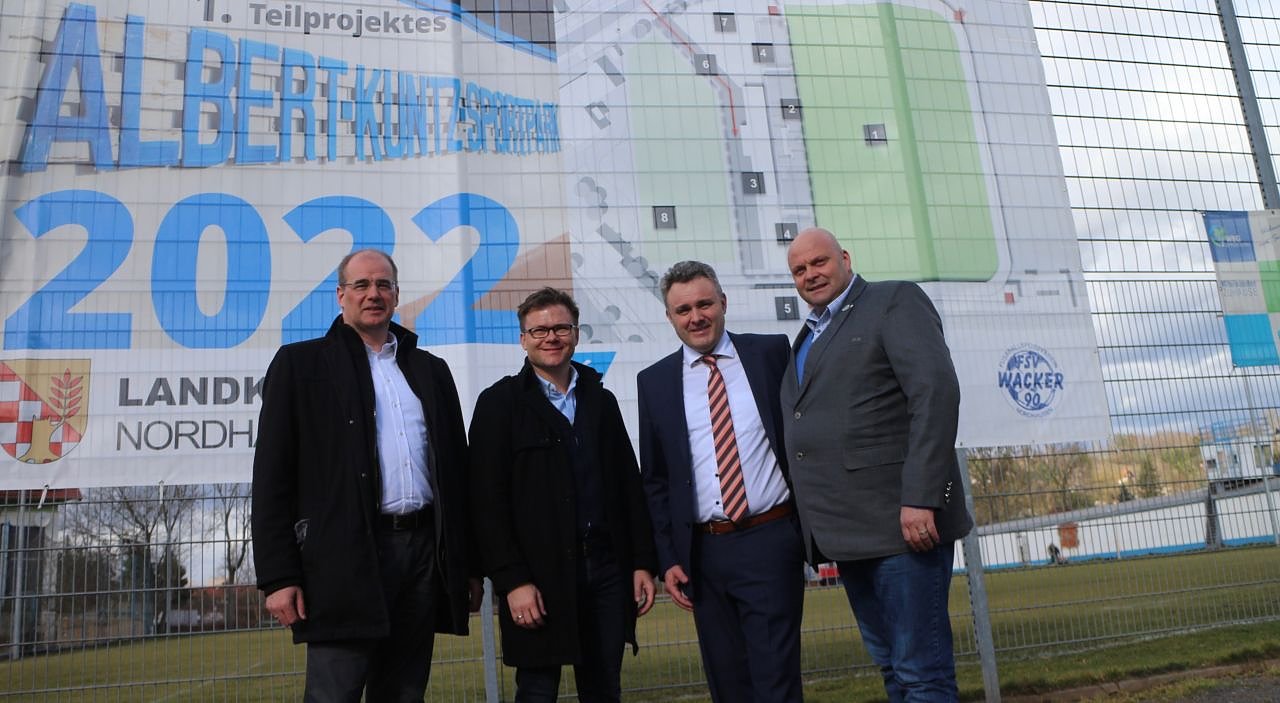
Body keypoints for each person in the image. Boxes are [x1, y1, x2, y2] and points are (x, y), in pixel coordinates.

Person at [252, 249, 482, 702]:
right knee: (333, 694)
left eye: (383, 285)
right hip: (342, 560)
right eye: (361, 285)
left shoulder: (431, 371)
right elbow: (272, 477)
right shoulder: (300, 365)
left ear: (396, 294)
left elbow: (457, 474)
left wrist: (468, 566)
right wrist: (277, 576)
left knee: (403, 693)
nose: (373, 294)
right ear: (341, 295)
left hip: (421, 556)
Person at [780, 228, 974, 702]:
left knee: (921, 672)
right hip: (849, 536)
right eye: (799, 270)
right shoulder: (808, 336)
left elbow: (935, 394)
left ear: (845, 258)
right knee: (892, 666)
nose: (810, 274)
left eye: (819, 262)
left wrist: (922, 497)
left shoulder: (894, 301)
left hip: (903, 527)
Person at [468, 287, 658, 703]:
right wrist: (513, 581)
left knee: (604, 688)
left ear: (575, 333)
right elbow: (486, 504)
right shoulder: (499, 405)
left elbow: (628, 486)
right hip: (537, 577)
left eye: (560, 328)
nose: (551, 337)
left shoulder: (601, 401)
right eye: (539, 330)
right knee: (537, 690)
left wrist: (642, 562)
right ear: (523, 339)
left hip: (605, 571)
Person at [637, 261, 806, 703]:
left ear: (723, 303)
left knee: (776, 680)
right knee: (728, 683)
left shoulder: (770, 353)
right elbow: (655, 479)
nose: (696, 317)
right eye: (683, 309)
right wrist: (668, 557)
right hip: (703, 554)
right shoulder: (654, 382)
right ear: (670, 317)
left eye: (704, 304)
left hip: (770, 538)